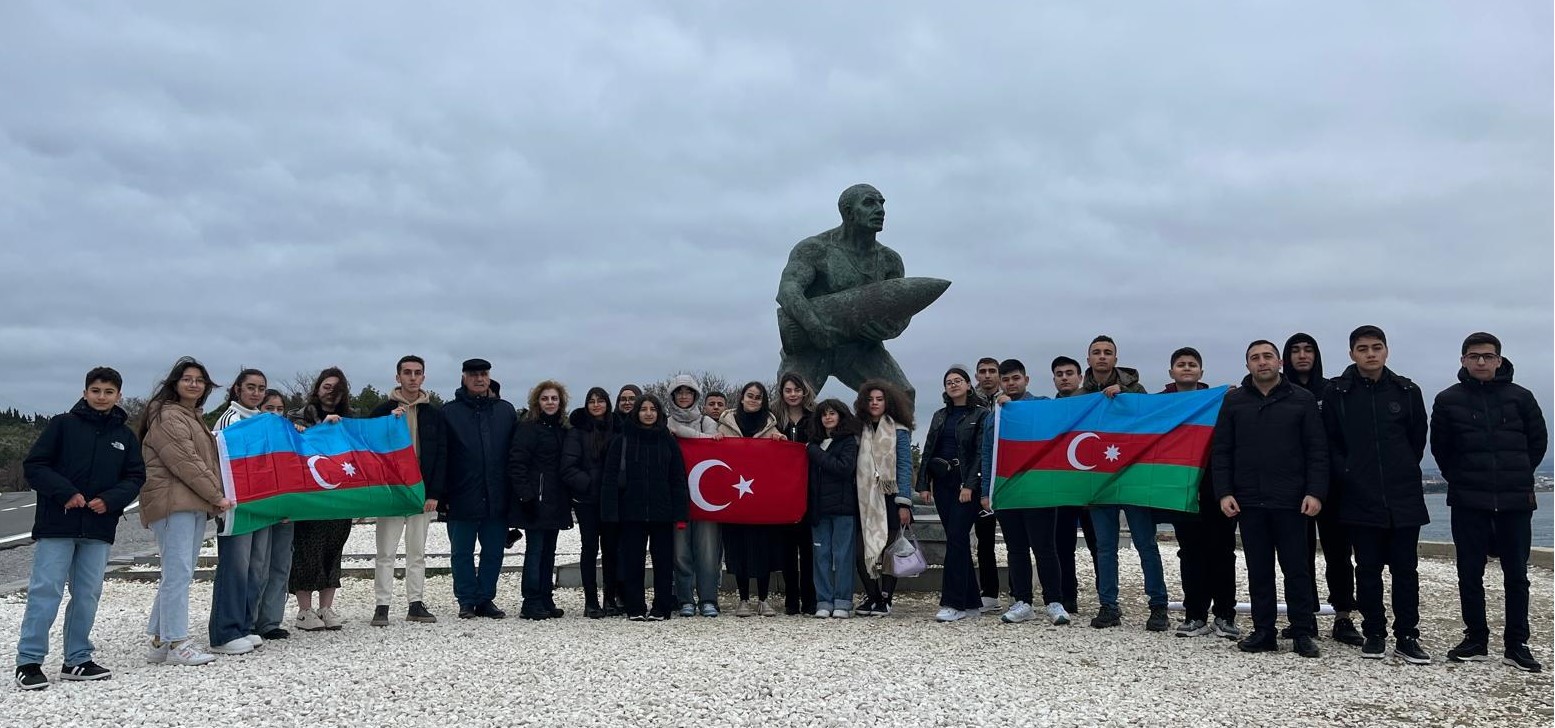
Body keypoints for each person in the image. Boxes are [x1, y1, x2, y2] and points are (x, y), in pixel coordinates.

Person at [15, 367, 146, 690]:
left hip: (98, 527)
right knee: (46, 591)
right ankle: (29, 661)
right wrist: (66, 493)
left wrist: (110, 500)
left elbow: (135, 477)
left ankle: (77, 659)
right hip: (57, 524)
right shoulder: (62, 425)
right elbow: (35, 466)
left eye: (109, 392)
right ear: (85, 392)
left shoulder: (125, 436)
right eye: (96, 390)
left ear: (118, 395)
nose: (102, 397)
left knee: (87, 594)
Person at [1432, 332, 1548, 672]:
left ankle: (1517, 644)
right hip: (1468, 500)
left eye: (1487, 356)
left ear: (1499, 360)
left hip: (1515, 500)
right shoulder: (1447, 400)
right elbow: (1441, 449)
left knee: (1517, 576)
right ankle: (1476, 639)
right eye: (1474, 356)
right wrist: (1462, 478)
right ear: (1463, 360)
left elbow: (1537, 443)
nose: (1481, 361)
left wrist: (1517, 474)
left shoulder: (1521, 397)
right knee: (1469, 574)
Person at [1321, 325, 1432, 664]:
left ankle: (1407, 635)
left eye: (1376, 347)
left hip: (1403, 494)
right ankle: (1374, 632)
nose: (1370, 354)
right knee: (1367, 569)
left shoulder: (1407, 391)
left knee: (1405, 570)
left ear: (1386, 351)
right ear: (1351, 354)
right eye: (1363, 348)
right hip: (1358, 493)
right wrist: (1349, 472)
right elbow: (1331, 441)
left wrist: (1401, 467)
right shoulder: (1337, 393)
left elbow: (1416, 439)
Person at [1213, 340, 1326, 658]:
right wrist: (1224, 492)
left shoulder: (1302, 399)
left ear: (1279, 362)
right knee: (1259, 570)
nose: (1262, 362)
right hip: (1249, 501)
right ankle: (1264, 631)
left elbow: (1317, 450)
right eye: (1255, 358)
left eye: (1267, 356)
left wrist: (1315, 492)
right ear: (1247, 365)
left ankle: (1302, 631)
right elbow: (1222, 451)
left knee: (1297, 570)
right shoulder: (1233, 401)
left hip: (1292, 500)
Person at [775, 183, 918, 403]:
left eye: (881, 203)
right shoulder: (815, 249)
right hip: (810, 343)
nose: (880, 210)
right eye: (869, 203)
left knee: (901, 395)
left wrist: (891, 329)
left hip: (860, 347)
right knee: (789, 402)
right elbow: (788, 290)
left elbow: (901, 307)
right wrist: (814, 327)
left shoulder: (890, 260)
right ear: (848, 212)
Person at [139, 357, 230, 667]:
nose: (194, 384)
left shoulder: (191, 417)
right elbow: (186, 463)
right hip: (172, 502)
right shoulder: (168, 416)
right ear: (175, 383)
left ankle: (159, 641)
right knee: (177, 573)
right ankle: (178, 642)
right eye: (187, 379)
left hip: (190, 502)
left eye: (199, 380)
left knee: (178, 572)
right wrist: (217, 496)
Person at [1080, 337, 1167, 631]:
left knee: (1146, 544)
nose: (1102, 357)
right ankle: (1108, 605)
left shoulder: (1136, 390)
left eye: (1108, 352)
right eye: (1096, 353)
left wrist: (1126, 395)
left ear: (1115, 359)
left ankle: (1158, 606)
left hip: (1133, 478)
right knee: (1105, 547)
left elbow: (1152, 418)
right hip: (1097, 481)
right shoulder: (1080, 396)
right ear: (1089, 359)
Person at [1283, 333, 1361, 646]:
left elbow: (1346, 435)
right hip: (1292, 484)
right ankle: (1305, 617)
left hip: (1333, 485)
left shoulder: (1333, 390)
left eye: (1308, 350)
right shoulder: (1279, 392)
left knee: (1338, 553)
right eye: (1295, 351)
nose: (1302, 356)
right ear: (1286, 357)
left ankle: (1343, 615)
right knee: (1297, 555)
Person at [1157, 349, 1239, 640]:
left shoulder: (1220, 401)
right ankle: (1195, 615)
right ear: (1171, 372)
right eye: (1181, 364)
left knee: (1222, 552)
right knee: (1190, 553)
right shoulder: (1160, 402)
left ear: (1201, 373)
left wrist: (1234, 395)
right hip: (1181, 490)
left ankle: (1225, 615)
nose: (1187, 368)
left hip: (1216, 488)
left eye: (1192, 364)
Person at [979, 359, 1067, 626]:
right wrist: (986, 491)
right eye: (1006, 380)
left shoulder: (1042, 404)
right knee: (1016, 549)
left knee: (1045, 548)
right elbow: (987, 454)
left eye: (1015, 378)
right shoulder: (994, 416)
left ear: (1026, 380)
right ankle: (1023, 601)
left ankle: (1054, 601)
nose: (1011, 384)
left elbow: (1064, 418)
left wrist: (1018, 409)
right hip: (1007, 490)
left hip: (1039, 489)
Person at [368, 356, 446, 627]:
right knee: (385, 552)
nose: (412, 377)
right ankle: (382, 605)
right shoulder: (381, 412)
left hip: (420, 492)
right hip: (391, 492)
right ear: (398, 376)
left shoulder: (434, 414)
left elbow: (441, 456)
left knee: (417, 552)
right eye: (407, 372)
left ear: (423, 377)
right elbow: (369, 450)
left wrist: (434, 493)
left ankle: (415, 603)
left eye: (417, 373)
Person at [601, 395, 690, 621]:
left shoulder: (668, 441)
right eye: (643, 409)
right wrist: (610, 513)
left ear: (659, 413)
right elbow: (610, 479)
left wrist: (681, 513)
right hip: (631, 512)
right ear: (636, 413)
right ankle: (635, 607)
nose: (648, 413)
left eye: (653, 409)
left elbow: (678, 478)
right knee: (633, 562)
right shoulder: (622, 440)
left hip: (662, 512)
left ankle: (662, 607)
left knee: (663, 563)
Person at [442, 358, 517, 620]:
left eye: (483, 373)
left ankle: (485, 598)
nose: (479, 378)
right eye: (473, 374)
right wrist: (443, 494)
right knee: (461, 553)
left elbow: (514, 454)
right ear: (464, 377)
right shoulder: (449, 412)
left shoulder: (506, 411)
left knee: (493, 552)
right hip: (461, 495)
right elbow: (442, 455)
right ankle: (466, 600)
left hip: (497, 494)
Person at [918, 367, 988, 622]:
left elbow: (981, 452)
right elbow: (928, 449)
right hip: (942, 483)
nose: (954, 384)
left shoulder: (981, 414)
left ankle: (953, 602)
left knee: (957, 539)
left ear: (969, 385)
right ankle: (971, 602)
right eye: (949, 382)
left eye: (958, 380)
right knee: (957, 541)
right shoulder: (939, 416)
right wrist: (923, 484)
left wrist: (970, 485)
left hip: (965, 484)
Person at [207, 368, 269, 655]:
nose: (256, 393)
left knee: (255, 567)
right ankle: (225, 631)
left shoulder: (262, 420)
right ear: (237, 389)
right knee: (235, 567)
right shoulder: (230, 419)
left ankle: (244, 625)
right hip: (237, 505)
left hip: (261, 503)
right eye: (251, 387)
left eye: (261, 388)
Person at [288, 367, 355, 632]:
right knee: (306, 551)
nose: (331, 392)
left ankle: (326, 607)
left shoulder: (351, 420)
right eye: (327, 387)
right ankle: (304, 610)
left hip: (341, 497)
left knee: (333, 550)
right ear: (317, 388)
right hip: (310, 497)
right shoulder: (298, 416)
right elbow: (292, 448)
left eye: (337, 388)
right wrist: (319, 429)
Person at [716, 381, 788, 617]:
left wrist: (780, 442)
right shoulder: (725, 424)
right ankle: (743, 599)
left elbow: (779, 460)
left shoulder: (771, 425)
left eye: (758, 397)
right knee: (738, 549)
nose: (754, 400)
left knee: (763, 548)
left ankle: (764, 599)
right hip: (733, 497)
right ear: (742, 397)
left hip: (761, 499)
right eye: (750, 395)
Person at [510, 381, 573, 620]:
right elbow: (517, 463)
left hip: (556, 499)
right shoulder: (528, 428)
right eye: (545, 398)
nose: (550, 402)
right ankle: (531, 600)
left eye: (554, 398)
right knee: (535, 551)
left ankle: (546, 597)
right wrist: (525, 495)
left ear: (560, 402)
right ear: (537, 401)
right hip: (535, 499)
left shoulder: (562, 429)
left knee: (549, 551)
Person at [852, 380, 915, 616]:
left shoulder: (899, 429)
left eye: (879, 399)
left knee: (890, 551)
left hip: (891, 496)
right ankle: (873, 595)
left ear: (888, 402)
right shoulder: (859, 429)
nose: (875, 403)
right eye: (870, 400)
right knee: (861, 551)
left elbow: (905, 465)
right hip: (864, 497)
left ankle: (886, 597)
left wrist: (904, 501)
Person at [663, 374, 724, 618]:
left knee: (708, 552)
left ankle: (708, 598)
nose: (684, 396)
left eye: (688, 392)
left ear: (695, 395)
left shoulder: (707, 422)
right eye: (679, 392)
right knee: (680, 552)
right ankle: (685, 598)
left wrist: (688, 435)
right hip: (678, 497)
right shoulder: (665, 423)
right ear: (672, 396)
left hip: (706, 497)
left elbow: (714, 447)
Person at [563, 388, 622, 618]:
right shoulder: (577, 432)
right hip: (586, 499)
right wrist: (588, 484)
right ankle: (591, 601)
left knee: (611, 549)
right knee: (589, 548)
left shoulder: (617, 429)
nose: (596, 405)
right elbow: (568, 467)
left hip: (612, 499)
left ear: (607, 403)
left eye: (600, 401)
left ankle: (610, 598)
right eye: (592, 401)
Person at [806, 399, 862, 619]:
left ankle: (843, 601)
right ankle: (824, 600)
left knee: (843, 556)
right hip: (819, 509)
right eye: (824, 414)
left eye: (832, 413)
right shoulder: (814, 442)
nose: (828, 417)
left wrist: (815, 453)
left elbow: (844, 468)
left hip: (842, 508)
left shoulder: (848, 441)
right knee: (821, 555)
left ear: (840, 415)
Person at [1050, 355, 1096, 614]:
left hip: (1093, 487)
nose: (1064, 378)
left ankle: (1106, 599)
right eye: (1059, 374)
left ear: (1080, 377)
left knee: (1098, 546)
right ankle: (1068, 596)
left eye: (1069, 373)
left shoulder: (1096, 403)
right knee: (1063, 547)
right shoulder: (1048, 409)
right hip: (1062, 488)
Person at [250, 388, 295, 641]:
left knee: (280, 565)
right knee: (259, 566)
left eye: (280, 409)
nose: (275, 413)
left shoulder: (291, 435)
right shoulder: (252, 434)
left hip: (285, 509)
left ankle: (270, 620)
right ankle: (251, 619)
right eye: (270, 408)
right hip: (260, 508)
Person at [773, 372, 818, 616]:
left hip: (809, 490)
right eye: (788, 390)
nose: (793, 395)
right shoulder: (773, 418)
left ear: (804, 391)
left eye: (797, 390)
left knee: (808, 549)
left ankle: (810, 599)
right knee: (787, 550)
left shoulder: (815, 417)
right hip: (782, 492)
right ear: (782, 393)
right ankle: (791, 599)